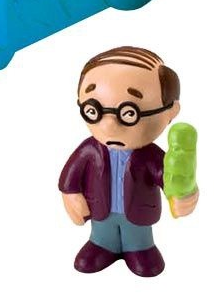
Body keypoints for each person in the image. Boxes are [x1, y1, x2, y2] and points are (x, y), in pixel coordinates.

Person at [58, 46, 198, 277]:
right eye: (94, 110)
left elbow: (169, 178)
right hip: (100, 210)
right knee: (102, 234)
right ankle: (102, 245)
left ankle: (140, 249)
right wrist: (70, 193)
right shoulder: (90, 150)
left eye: (129, 113)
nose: (109, 125)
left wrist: (184, 192)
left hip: (138, 213)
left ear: (170, 111)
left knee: (138, 238)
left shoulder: (150, 155)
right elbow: (70, 176)